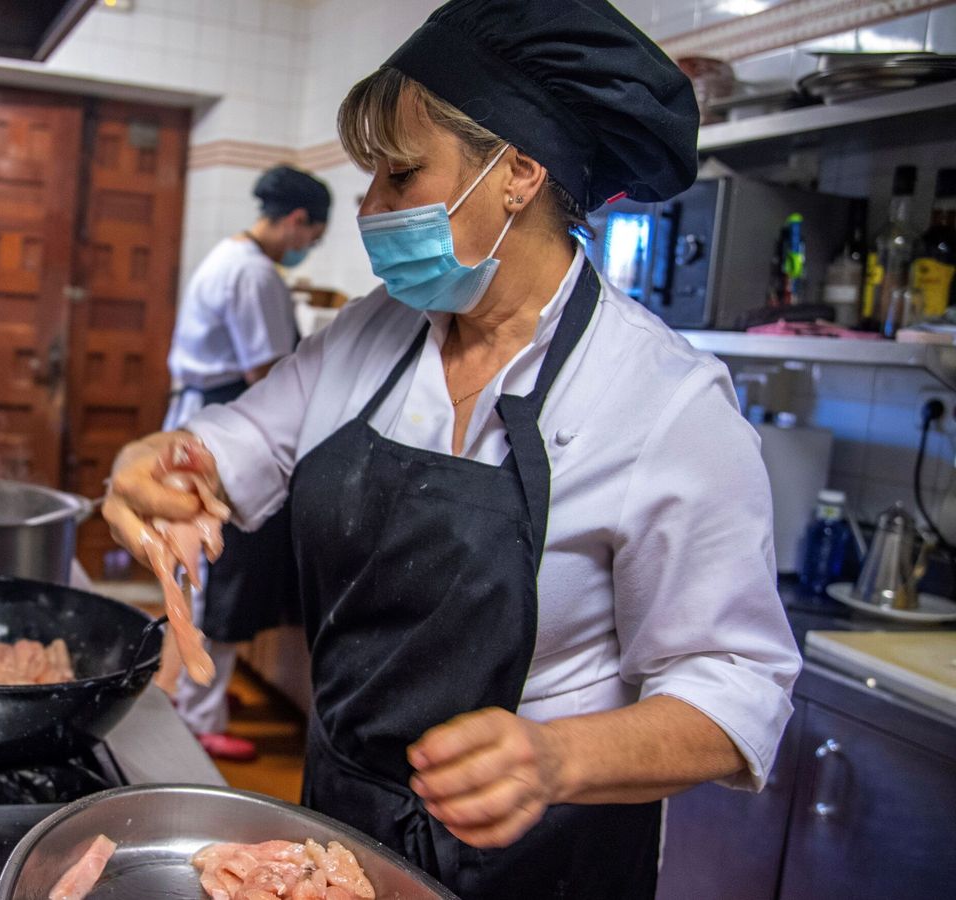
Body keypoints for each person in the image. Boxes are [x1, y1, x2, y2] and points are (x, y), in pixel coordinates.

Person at [102, 0, 802, 896]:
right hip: (341, 827)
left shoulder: (665, 400)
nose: (369, 206)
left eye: (399, 174)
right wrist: (155, 463)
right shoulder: (369, 336)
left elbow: (739, 685)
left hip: (549, 856)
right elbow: (226, 445)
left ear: (516, 171)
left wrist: (554, 757)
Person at [163, 165, 331, 761]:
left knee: (201, 575)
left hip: (200, 419)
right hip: (225, 424)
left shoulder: (227, 255)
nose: (307, 247)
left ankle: (191, 699)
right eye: (312, 235)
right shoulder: (255, 273)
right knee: (219, 580)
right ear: (295, 221)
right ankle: (200, 715)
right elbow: (268, 376)